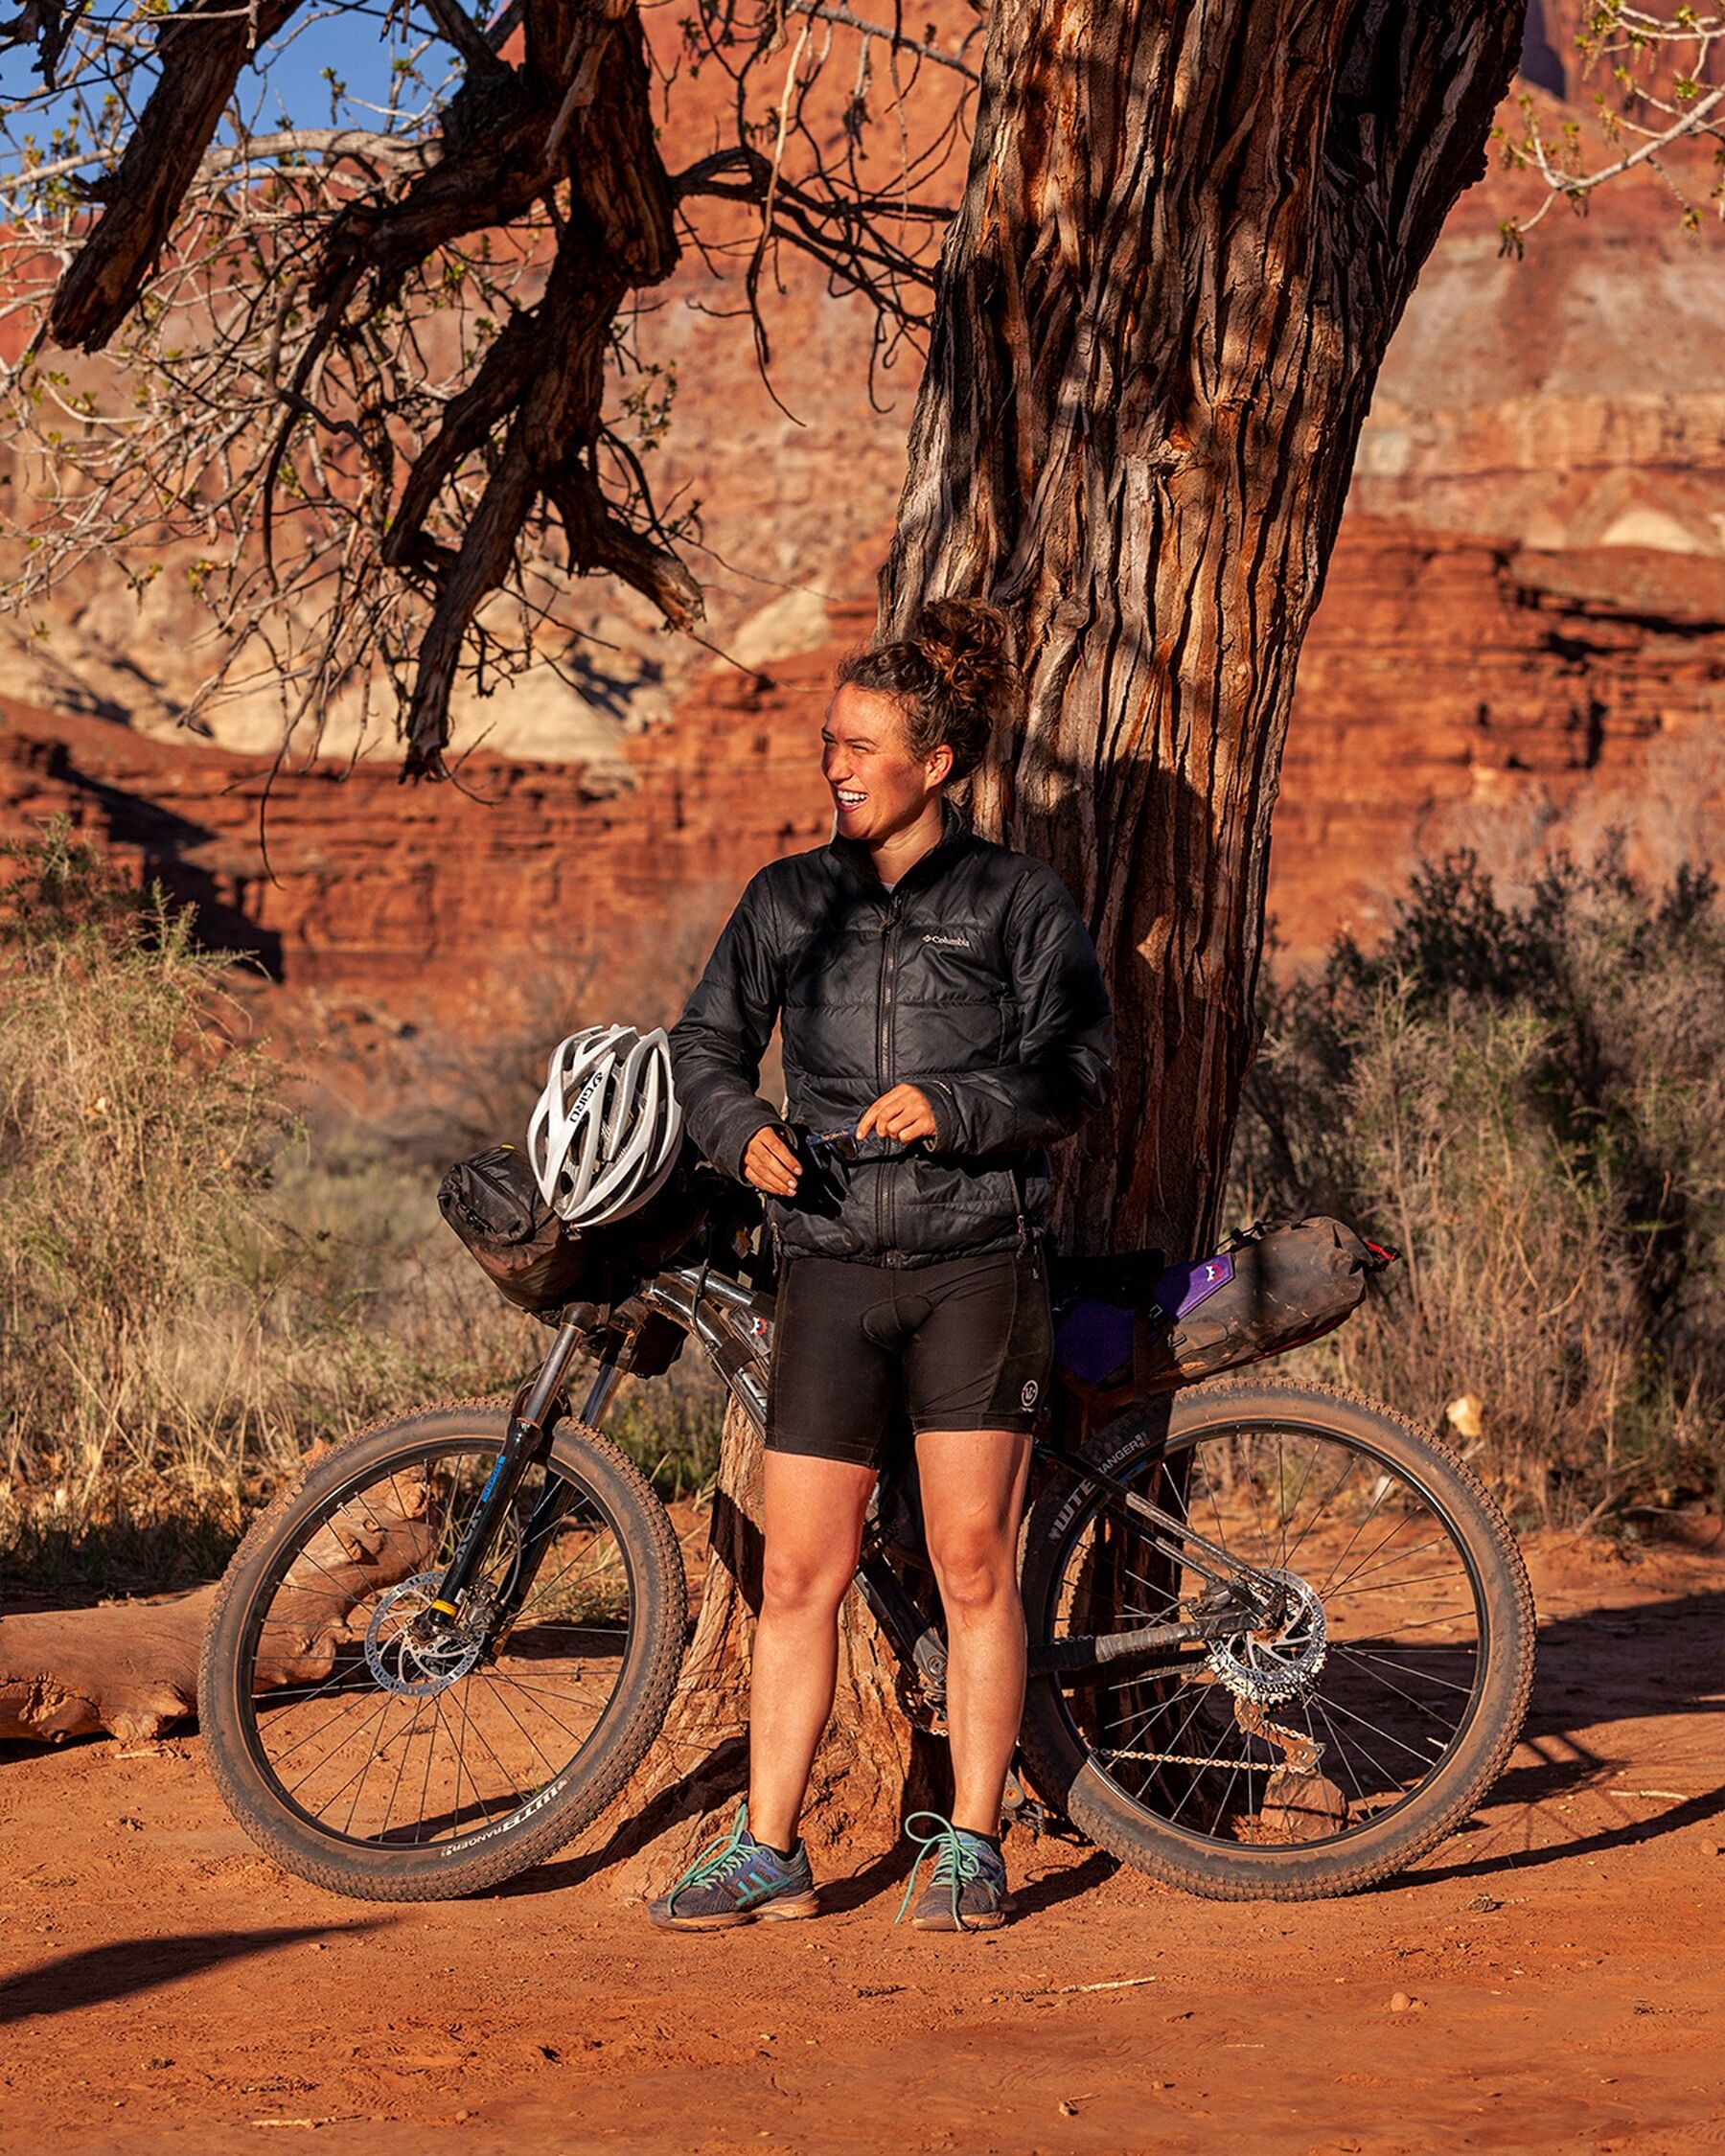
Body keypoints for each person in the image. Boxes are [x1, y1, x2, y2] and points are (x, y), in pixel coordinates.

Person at [650, 600, 1114, 1933]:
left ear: (937, 762)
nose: (835, 767)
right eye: (827, 745)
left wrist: (959, 1105)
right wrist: (740, 1134)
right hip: (834, 1271)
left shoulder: (1018, 900)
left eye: (859, 746)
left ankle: (972, 1839)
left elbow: (1079, 1066)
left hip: (977, 1266)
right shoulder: (788, 899)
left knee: (975, 1565)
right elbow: (703, 1047)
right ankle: (766, 1845)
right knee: (799, 1574)